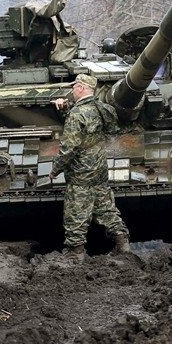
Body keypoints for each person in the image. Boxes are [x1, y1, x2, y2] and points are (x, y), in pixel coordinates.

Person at [50, 74, 130, 256]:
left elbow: (69, 147)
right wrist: (66, 109)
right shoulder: (103, 108)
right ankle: (122, 243)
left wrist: (56, 169)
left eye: (74, 87)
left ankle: (75, 251)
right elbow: (111, 129)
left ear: (80, 88)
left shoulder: (76, 115)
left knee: (76, 211)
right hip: (100, 170)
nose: (72, 91)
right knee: (105, 207)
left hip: (80, 173)